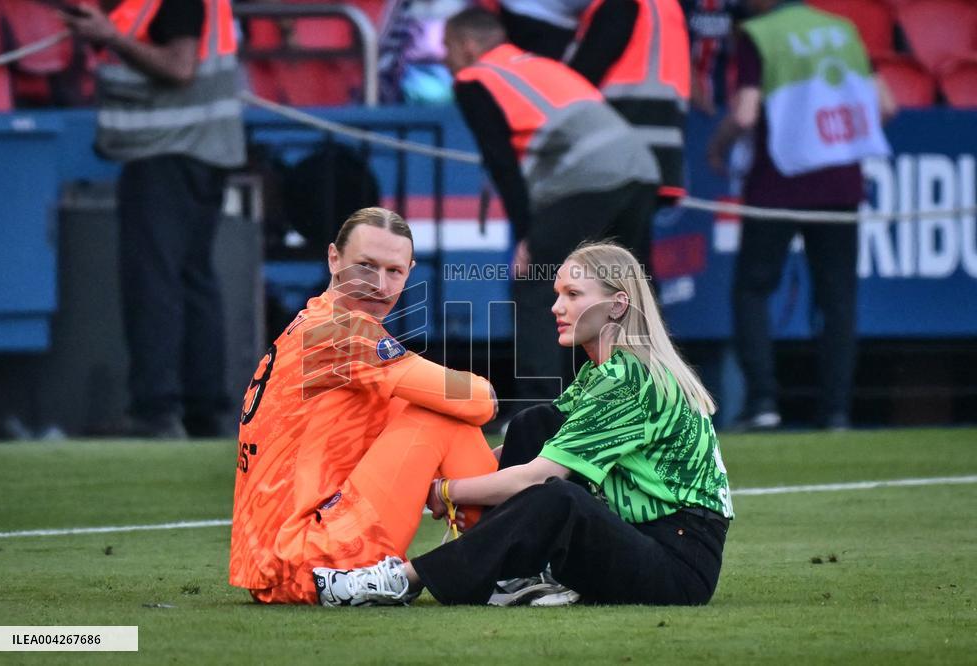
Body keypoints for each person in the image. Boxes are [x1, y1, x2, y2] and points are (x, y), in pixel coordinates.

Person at [313, 241, 734, 607]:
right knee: (535, 424)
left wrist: (444, 490)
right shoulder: (606, 370)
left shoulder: (627, 381)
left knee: (557, 497)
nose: (556, 307)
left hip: (679, 564)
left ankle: (399, 580)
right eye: (557, 294)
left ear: (618, 305)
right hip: (643, 537)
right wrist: (442, 467)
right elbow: (538, 448)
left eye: (572, 294)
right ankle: (515, 575)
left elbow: (540, 477)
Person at [229, 207, 500, 604]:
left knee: (429, 411)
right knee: (440, 414)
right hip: (310, 560)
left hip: (281, 561)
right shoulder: (342, 333)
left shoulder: (319, 323)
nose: (379, 284)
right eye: (365, 266)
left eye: (394, 271)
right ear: (333, 259)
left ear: (410, 271)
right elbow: (480, 402)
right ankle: (504, 561)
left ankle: (498, 552)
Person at [444, 7, 660, 408]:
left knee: (538, 283)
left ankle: (540, 410)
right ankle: (645, 403)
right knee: (623, 289)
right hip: (639, 169)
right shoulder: (543, 66)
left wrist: (526, 233)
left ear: (467, 45)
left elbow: (501, 162)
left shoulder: (476, 78)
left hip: (587, 178)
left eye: (447, 48)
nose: (445, 59)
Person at [706, 0, 896, 431]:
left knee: (753, 290)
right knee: (838, 298)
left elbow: (745, 112)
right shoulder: (844, 30)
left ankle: (763, 404)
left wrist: (717, 146)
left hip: (778, 182)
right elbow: (886, 105)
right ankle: (836, 411)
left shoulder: (762, 33)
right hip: (841, 184)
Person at [64, 0, 246, 438]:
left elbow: (179, 66)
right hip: (197, 150)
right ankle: (202, 412)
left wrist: (110, 38)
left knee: (154, 283)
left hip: (168, 152)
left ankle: (156, 411)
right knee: (191, 280)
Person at [565, 0, 693, 262]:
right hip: (655, 158)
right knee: (630, 266)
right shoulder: (666, 7)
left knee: (603, 268)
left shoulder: (621, 5)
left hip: (614, 160)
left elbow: (580, 77)